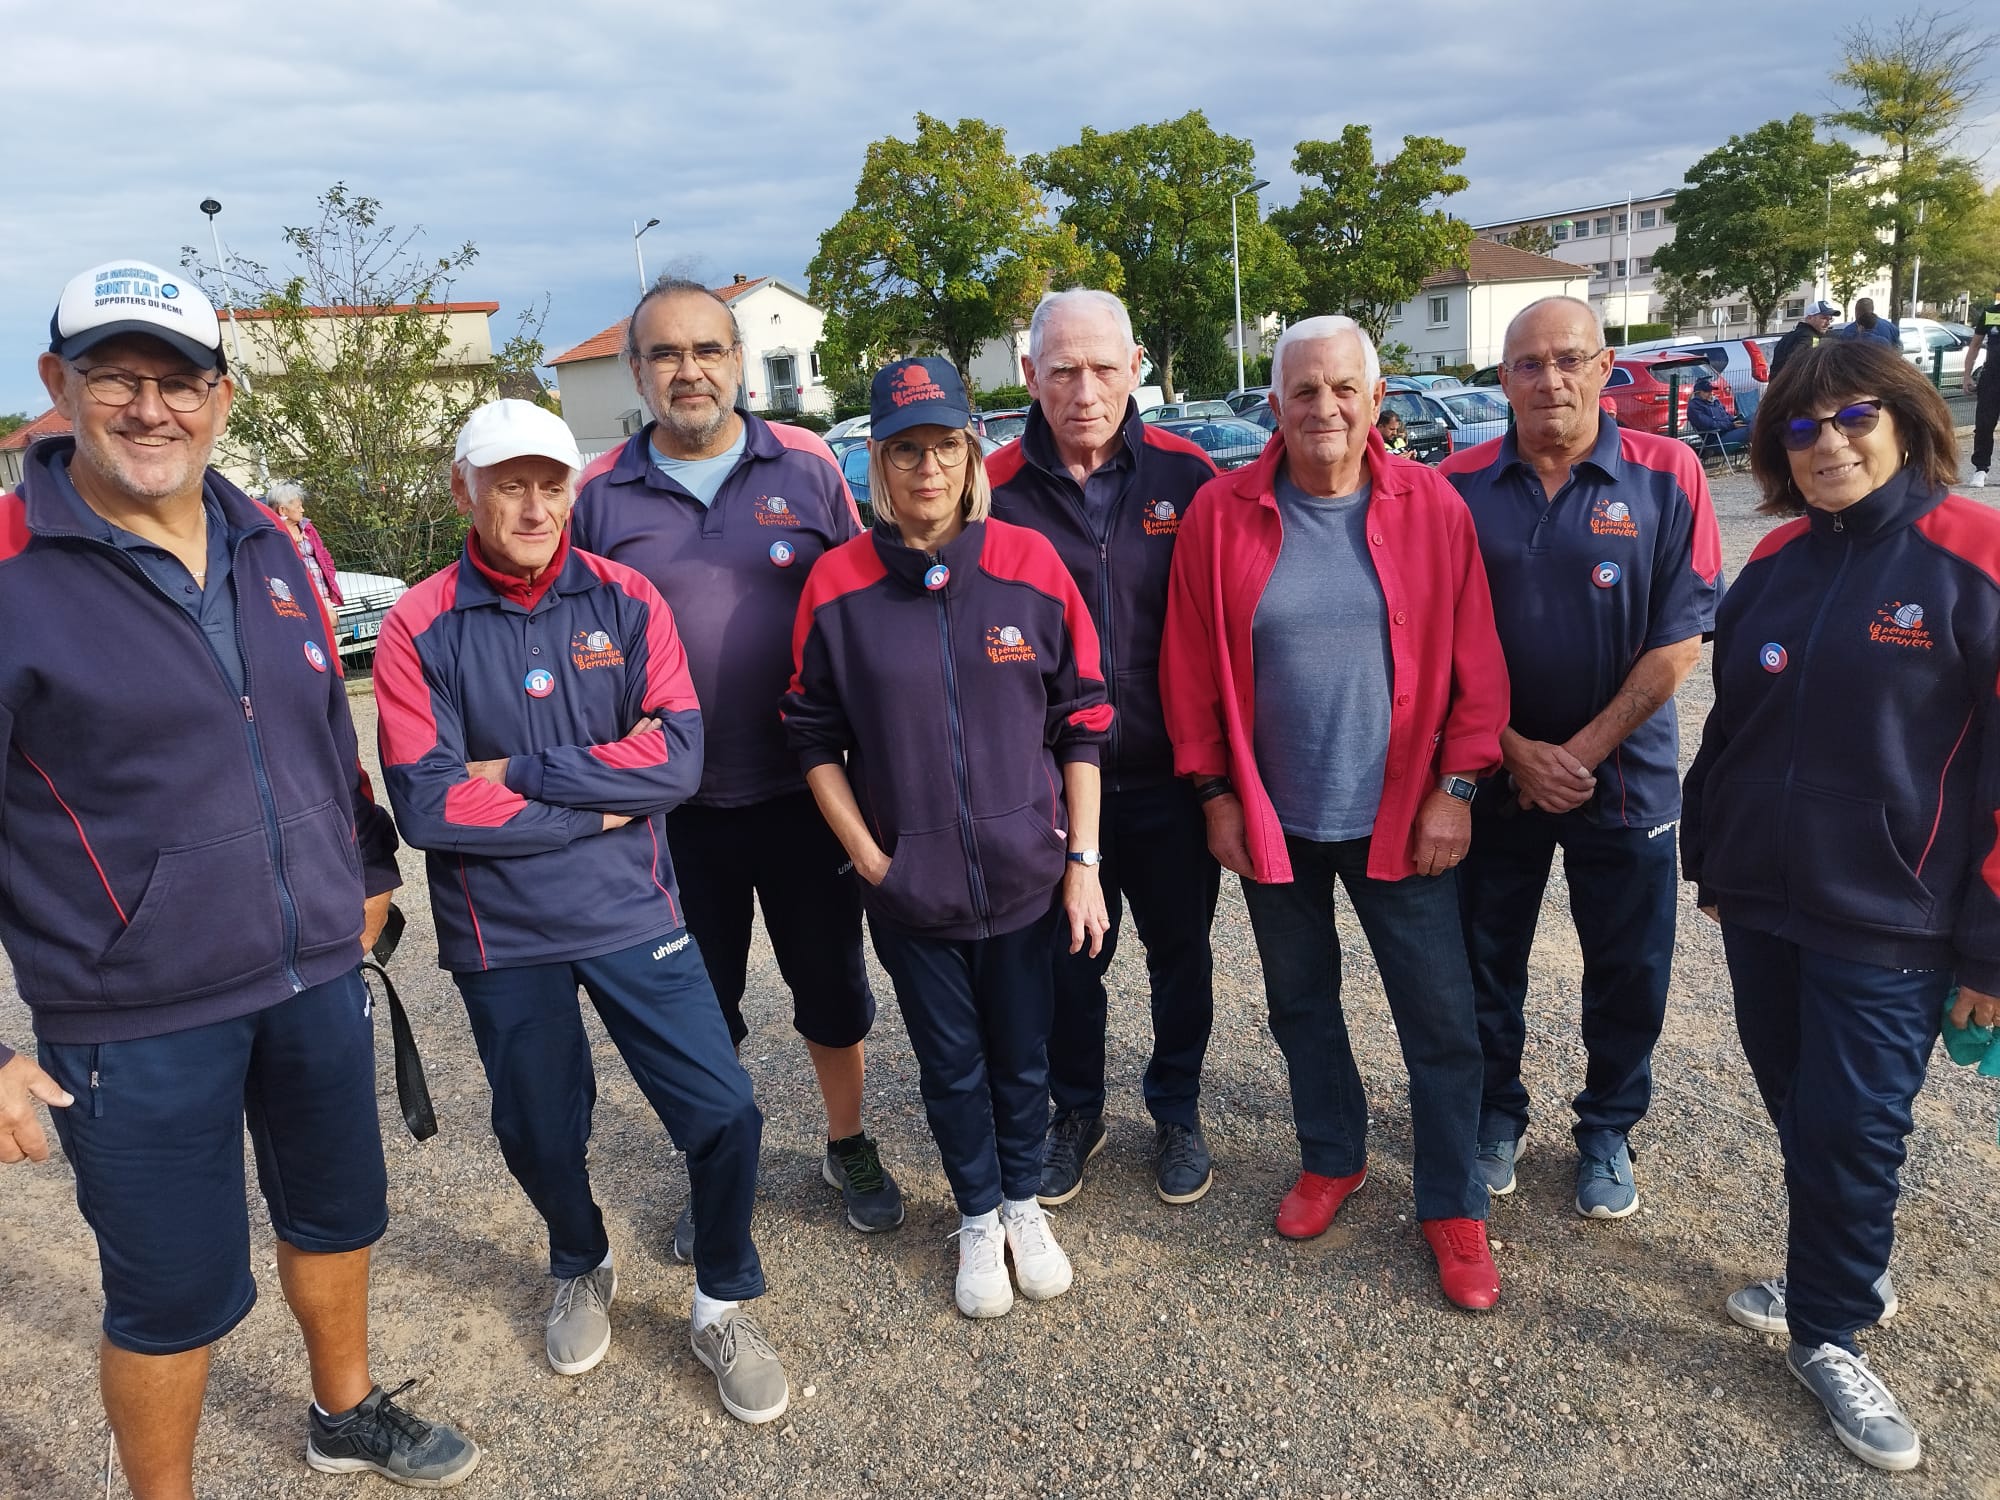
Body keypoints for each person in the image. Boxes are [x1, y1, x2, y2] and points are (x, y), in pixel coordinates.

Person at [0, 259, 478, 1495]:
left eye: (181, 381)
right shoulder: (10, 572)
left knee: (337, 1213)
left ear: (222, 397)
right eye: (117, 378)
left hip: (313, 969)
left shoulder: (273, 540)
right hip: (133, 1016)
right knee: (170, 1295)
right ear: (59, 387)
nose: (151, 408)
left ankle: (343, 1408)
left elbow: (325, 724)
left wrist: (367, 870)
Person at [374, 398, 790, 1424]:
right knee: (535, 1128)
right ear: (462, 487)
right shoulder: (416, 623)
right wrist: (601, 804)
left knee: (724, 1111)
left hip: (629, 909)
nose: (532, 502)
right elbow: (428, 804)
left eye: (550, 481)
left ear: (574, 486)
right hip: (496, 931)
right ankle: (579, 1256)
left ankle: (720, 1297)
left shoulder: (627, 598)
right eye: (507, 481)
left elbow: (679, 759)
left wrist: (517, 773)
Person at [1682, 338, 2000, 1472]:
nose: (1826, 445)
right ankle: (1843, 1262)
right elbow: (1730, 727)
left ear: (1908, 420)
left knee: (1850, 1127)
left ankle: (1829, 1330)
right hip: (1764, 908)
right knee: (1795, 1105)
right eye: (1801, 429)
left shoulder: (1976, 554)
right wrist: (1712, 856)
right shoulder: (1769, 561)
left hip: (1895, 920)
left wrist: (1988, 950)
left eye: (1850, 418)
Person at [1160, 315, 1509, 1310]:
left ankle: (1450, 1205)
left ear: (1376, 398)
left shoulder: (1431, 508)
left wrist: (1456, 790)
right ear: (1273, 405)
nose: (1322, 408)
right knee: (1298, 1004)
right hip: (1277, 819)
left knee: (1439, 1022)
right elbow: (1187, 668)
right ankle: (1331, 1154)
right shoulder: (1221, 515)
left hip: (1402, 815)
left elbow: (1475, 668)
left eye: (1341, 389)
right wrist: (1214, 794)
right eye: (1302, 391)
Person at [572, 278, 902, 1254]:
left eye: (707, 351)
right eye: (666, 354)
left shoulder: (803, 468)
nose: (689, 371)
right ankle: (720, 1161)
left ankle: (846, 1141)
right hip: (671, 809)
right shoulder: (598, 499)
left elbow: (858, 606)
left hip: (806, 792)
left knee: (829, 987)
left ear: (737, 362)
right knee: (695, 1002)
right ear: (636, 371)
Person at [783, 358, 1111, 1319]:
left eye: (946, 446)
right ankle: (976, 1217)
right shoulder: (837, 584)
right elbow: (809, 734)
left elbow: (1083, 717)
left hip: (1027, 880)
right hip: (913, 892)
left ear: (973, 453)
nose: (929, 467)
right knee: (951, 1064)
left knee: (1022, 1057)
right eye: (906, 450)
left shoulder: (1031, 566)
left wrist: (1081, 860)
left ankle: (1022, 1206)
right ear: (877, 465)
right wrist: (874, 858)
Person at [1440, 297, 1722, 1220]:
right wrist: (1515, 752)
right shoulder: (1457, 484)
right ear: (1503, 378)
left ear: (1606, 366)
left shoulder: (1668, 473)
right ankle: (1495, 1115)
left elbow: (1682, 637)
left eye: (1569, 359)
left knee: (1629, 966)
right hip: (1494, 774)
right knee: (1486, 958)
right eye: (1527, 363)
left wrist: (1582, 751)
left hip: (1626, 779)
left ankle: (1606, 1128)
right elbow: (1436, 641)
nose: (1548, 378)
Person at [986, 288, 1223, 1209]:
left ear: (1136, 369)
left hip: (1170, 777)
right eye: (1063, 370)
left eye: (1103, 368)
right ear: (1030, 376)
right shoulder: (991, 489)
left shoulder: (1189, 477)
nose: (1085, 390)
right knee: (1067, 963)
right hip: (1048, 786)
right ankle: (1075, 1112)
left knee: (1181, 952)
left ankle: (1177, 1108)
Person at [267, 479, 345, 606]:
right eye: (298, 507)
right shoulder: (274, 533)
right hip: (297, 596)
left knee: (332, 621)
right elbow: (276, 564)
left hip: (321, 590)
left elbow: (324, 554)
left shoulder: (307, 527)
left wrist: (329, 575)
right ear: (282, 510)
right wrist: (292, 544)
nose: (302, 510)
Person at [1964, 282, 2000, 487]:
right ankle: (1980, 469)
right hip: (1992, 378)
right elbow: (1975, 345)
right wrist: (1967, 375)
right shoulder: (1991, 314)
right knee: (1984, 425)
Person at [1769, 299, 1840, 381]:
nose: (1828, 323)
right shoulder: (1809, 337)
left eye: (1830, 319)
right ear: (1809, 318)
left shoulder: (1791, 335)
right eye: (1824, 318)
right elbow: (1799, 363)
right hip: (1793, 388)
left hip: (1779, 386)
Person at [1685, 376, 1747, 444]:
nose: (1710, 393)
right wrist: (1731, 425)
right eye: (1707, 391)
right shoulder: (1694, 407)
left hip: (1727, 431)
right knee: (1752, 429)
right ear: (1698, 392)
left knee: (1752, 420)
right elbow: (1709, 425)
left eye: (1711, 390)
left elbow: (1725, 415)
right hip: (1717, 438)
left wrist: (1735, 420)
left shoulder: (1715, 401)